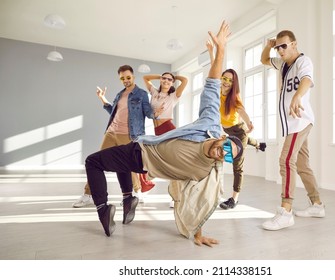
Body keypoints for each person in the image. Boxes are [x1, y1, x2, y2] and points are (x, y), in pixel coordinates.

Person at [85, 20, 239, 246]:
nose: (221, 154)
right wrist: (221, 50)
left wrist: (198, 233)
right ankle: (128, 199)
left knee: (92, 161)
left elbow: (202, 201)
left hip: (143, 156)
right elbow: (213, 86)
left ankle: (102, 209)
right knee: (118, 162)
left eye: (227, 157)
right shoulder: (210, 123)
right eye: (225, 148)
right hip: (144, 146)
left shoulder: (208, 170)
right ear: (222, 137)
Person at [260, 30, 325, 230]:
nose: (280, 50)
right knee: (303, 165)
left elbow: (306, 80)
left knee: (287, 161)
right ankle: (317, 205)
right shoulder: (282, 64)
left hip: (300, 119)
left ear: (294, 44)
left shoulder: (303, 62)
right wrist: (269, 45)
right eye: (278, 47)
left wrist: (297, 96)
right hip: (292, 122)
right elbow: (264, 60)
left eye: (284, 46)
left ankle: (286, 211)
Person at [72, 65, 160, 208]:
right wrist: (102, 99)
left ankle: (136, 193)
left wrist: (156, 112)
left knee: (129, 165)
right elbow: (113, 111)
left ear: (133, 76)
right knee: (95, 162)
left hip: (129, 134)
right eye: (122, 78)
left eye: (128, 77)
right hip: (111, 133)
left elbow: (149, 113)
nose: (125, 80)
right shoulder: (120, 94)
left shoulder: (141, 94)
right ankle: (87, 195)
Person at [206, 40, 266, 210]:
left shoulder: (235, 98)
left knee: (236, 165)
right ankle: (259, 144)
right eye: (224, 78)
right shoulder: (217, 90)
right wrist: (212, 51)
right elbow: (214, 65)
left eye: (229, 80)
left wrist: (249, 122)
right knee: (250, 143)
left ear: (234, 84)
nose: (225, 82)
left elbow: (242, 112)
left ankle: (234, 199)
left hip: (239, 132)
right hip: (226, 131)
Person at [142, 72, 188, 207]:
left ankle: (176, 197)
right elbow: (145, 78)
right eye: (164, 78)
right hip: (157, 131)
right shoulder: (154, 92)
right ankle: (144, 188)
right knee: (153, 160)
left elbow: (185, 80)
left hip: (168, 129)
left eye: (169, 80)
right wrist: (161, 77)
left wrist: (173, 77)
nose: (166, 81)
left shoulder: (173, 96)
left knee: (172, 164)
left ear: (173, 82)